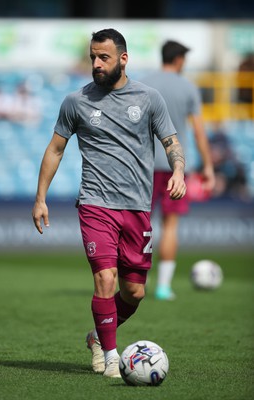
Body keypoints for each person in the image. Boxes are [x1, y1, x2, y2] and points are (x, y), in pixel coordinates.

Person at [32, 29, 186, 379]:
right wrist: (40, 197)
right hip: (95, 203)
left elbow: (171, 141)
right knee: (105, 278)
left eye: (104, 57)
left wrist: (178, 169)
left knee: (134, 292)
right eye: (92, 57)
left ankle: (97, 337)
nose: (97, 64)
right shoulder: (76, 101)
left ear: (123, 59)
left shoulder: (149, 98)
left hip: (136, 207)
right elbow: (55, 149)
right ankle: (111, 357)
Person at [140, 40, 215, 301]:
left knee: (140, 225)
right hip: (176, 167)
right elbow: (198, 131)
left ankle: (139, 283)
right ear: (180, 59)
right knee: (170, 226)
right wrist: (207, 166)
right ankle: (163, 287)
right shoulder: (188, 87)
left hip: (145, 164)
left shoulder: (144, 84)